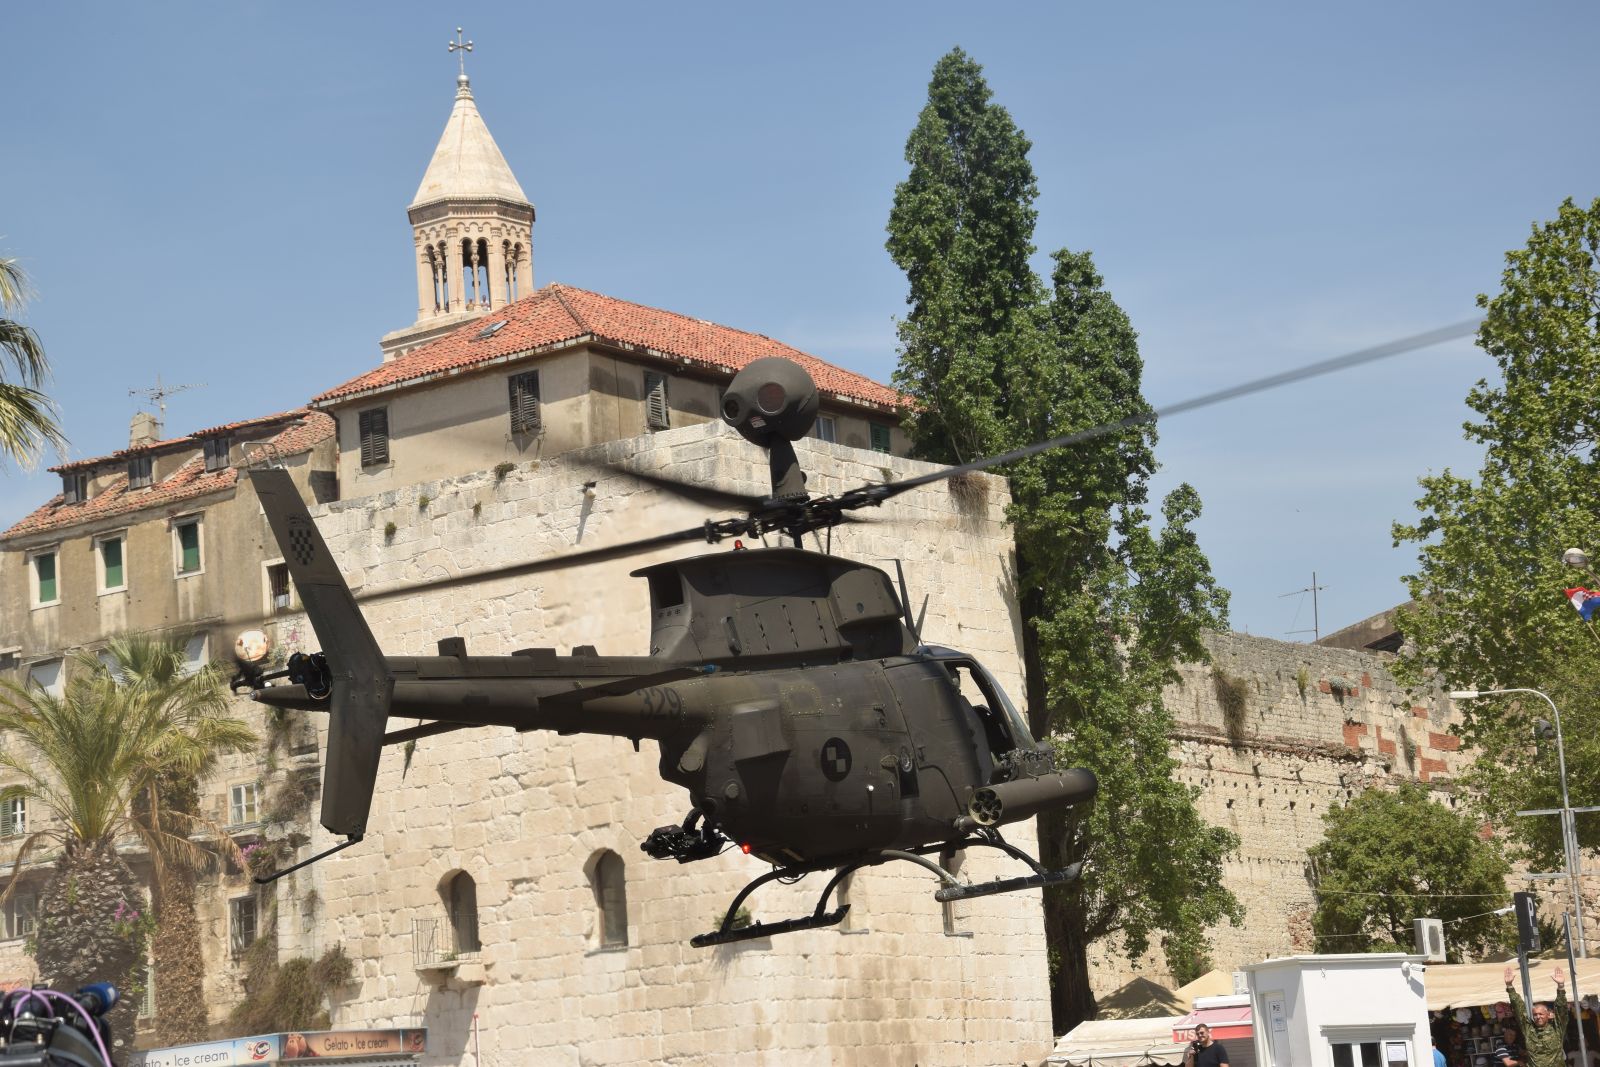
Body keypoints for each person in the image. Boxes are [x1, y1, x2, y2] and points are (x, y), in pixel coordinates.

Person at [1505, 966, 1569, 1067]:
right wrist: (1510, 986)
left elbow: (1562, 1010)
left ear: (1548, 1015)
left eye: (1541, 1014)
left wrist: (1561, 987)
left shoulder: (1557, 1028)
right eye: (1535, 1015)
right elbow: (1519, 1009)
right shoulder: (1529, 1029)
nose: (1538, 1017)